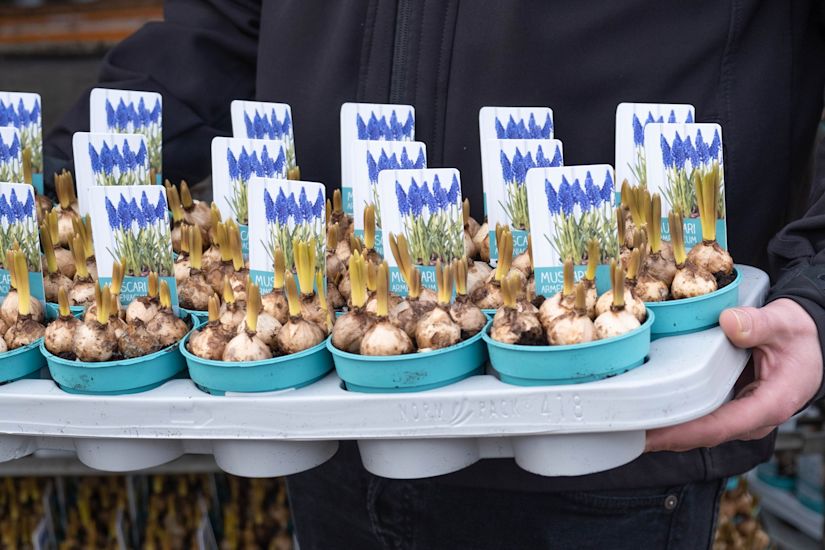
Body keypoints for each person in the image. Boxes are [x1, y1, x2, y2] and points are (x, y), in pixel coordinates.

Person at [44, 1, 825, 548]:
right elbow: (222, 27)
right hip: (334, 396)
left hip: (610, 425)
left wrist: (817, 286)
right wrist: (44, 187)